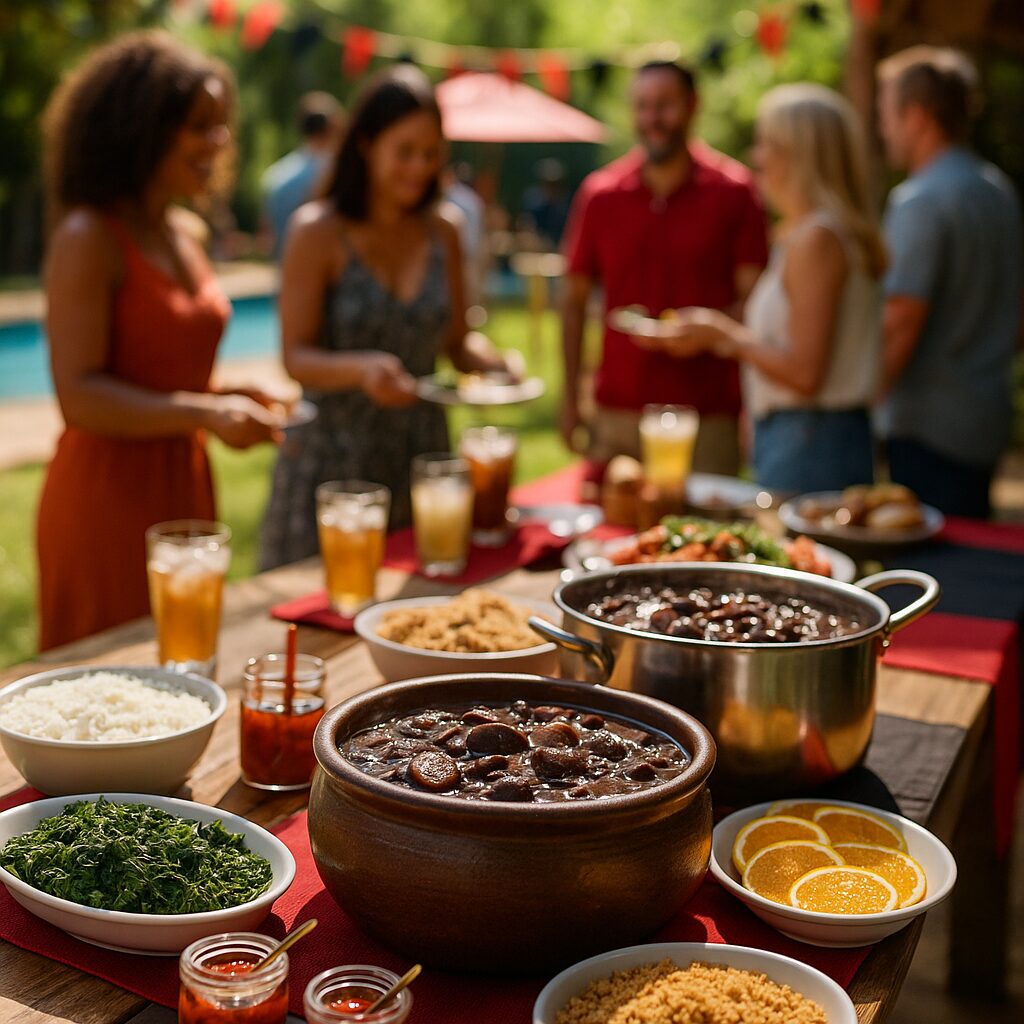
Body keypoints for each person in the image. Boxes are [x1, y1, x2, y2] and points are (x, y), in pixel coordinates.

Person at [36, 31, 281, 651]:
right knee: (108, 688)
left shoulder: (186, 232)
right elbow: (80, 396)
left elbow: (160, 372)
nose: (219, 143)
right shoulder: (88, 238)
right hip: (105, 506)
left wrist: (225, 396)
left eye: (221, 126)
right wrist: (208, 410)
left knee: (187, 664)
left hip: (185, 487)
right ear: (140, 128)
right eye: (200, 125)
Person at [260, 66, 518, 569]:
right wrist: (361, 370)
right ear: (364, 144)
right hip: (333, 463)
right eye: (405, 152)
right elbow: (295, 356)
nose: (420, 167)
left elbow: (458, 343)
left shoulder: (444, 229)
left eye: (431, 153)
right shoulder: (317, 232)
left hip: (423, 461)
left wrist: (495, 363)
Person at [663, 84, 886, 493]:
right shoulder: (814, 233)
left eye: (767, 144)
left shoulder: (817, 239)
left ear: (800, 154)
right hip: (812, 436)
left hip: (811, 440)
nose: (757, 157)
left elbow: (804, 373)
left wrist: (725, 336)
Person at [561, 61, 769, 477]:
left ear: (694, 106)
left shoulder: (735, 191)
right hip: (617, 413)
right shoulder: (600, 195)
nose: (653, 118)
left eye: (665, 105)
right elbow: (573, 299)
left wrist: (710, 330)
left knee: (706, 538)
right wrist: (570, 397)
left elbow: (758, 302)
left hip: (706, 418)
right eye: (642, 106)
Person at [875, 47, 1023, 518]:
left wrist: (862, 403)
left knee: (931, 576)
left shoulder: (920, 199)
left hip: (928, 429)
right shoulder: (998, 190)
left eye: (886, 116)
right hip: (986, 417)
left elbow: (901, 319)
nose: (883, 131)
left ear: (917, 117)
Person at [262, 92, 343, 259]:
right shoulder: (338, 173)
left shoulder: (274, 176)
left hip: (284, 273)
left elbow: (266, 236)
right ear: (332, 125)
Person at [521, 158, 571, 249]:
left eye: (554, 185)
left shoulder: (566, 207)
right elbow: (526, 226)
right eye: (548, 184)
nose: (551, 188)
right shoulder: (534, 204)